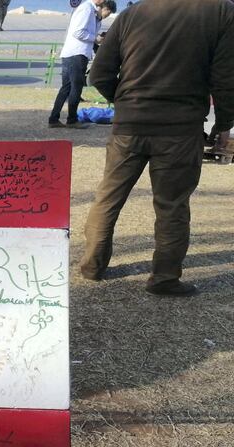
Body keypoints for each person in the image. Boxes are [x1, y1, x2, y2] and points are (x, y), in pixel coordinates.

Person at [79, 0, 234, 296]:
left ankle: (92, 266)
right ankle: (164, 278)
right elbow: (226, 78)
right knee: (172, 206)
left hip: (129, 126)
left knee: (108, 197)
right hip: (181, 128)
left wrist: (126, 104)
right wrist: (223, 123)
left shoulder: (133, 13)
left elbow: (98, 74)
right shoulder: (222, 11)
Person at [47, 0, 116, 129]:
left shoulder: (91, 12)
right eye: (108, 12)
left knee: (66, 88)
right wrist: (95, 38)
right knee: (76, 87)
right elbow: (78, 32)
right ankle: (72, 119)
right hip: (77, 54)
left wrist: (96, 39)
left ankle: (54, 118)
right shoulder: (87, 9)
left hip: (71, 53)